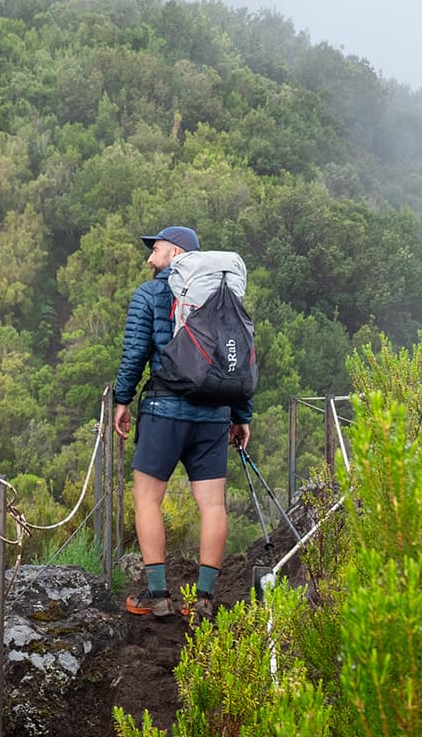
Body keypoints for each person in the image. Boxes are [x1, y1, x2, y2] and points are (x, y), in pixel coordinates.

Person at [114, 226, 252, 618]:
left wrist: (122, 400)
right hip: (215, 414)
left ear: (176, 252)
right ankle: (205, 599)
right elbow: (237, 358)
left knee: (147, 498)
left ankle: (157, 596)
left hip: (164, 411)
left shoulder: (151, 294)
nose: (149, 259)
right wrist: (241, 415)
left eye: (155, 250)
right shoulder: (226, 298)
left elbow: (135, 354)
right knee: (212, 505)